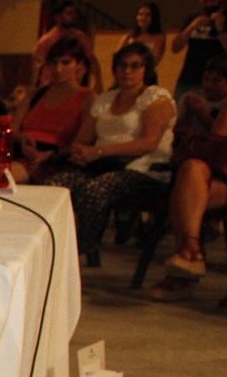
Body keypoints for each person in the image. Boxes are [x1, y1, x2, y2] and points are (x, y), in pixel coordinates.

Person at [149, 41, 227, 299]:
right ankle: (191, 250)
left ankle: (182, 275)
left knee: (185, 194)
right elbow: (218, 137)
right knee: (191, 169)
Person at [43, 42, 176, 263]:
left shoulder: (155, 97)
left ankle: (76, 252)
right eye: (122, 65)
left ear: (146, 69)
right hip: (102, 165)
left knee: (95, 190)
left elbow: (149, 143)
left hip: (143, 169)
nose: (127, 71)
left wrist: (99, 151)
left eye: (135, 66)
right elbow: (82, 139)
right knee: (54, 185)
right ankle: (48, 245)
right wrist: (80, 152)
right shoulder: (105, 100)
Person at [10, 36, 96, 183]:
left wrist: (47, 155)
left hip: (56, 157)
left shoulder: (88, 97)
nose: (58, 69)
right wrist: (22, 138)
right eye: (54, 63)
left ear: (79, 65)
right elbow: (12, 129)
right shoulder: (36, 94)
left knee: (7, 175)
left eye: (66, 62)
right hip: (23, 149)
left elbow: (82, 142)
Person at [171, 0, 227, 100]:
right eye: (205, 0)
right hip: (188, 79)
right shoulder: (193, 18)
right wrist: (191, 27)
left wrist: (221, 28)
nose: (209, 4)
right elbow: (175, 47)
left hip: (215, 82)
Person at [31, 1, 99, 90]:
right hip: (52, 86)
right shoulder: (47, 40)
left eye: (74, 13)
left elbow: (91, 60)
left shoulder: (81, 37)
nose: (73, 16)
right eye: (69, 13)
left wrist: (98, 81)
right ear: (58, 17)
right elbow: (37, 66)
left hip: (75, 86)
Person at [175, 53, 227, 139]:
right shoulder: (191, 96)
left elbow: (223, 137)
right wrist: (188, 113)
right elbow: (177, 132)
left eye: (216, 81)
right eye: (206, 78)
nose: (208, 85)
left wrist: (202, 113)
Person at [118, 1, 166, 67]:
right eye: (140, 14)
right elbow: (117, 57)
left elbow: (155, 60)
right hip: (128, 70)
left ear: (154, 17)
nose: (143, 18)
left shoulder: (158, 36)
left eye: (147, 15)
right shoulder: (129, 35)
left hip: (147, 71)